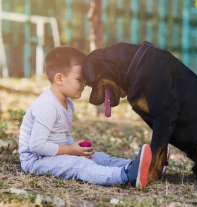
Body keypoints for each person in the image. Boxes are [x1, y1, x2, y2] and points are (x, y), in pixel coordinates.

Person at [18, 45, 152, 188]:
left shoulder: (67, 103)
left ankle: (144, 167)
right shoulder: (47, 106)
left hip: (53, 155)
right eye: (79, 79)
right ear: (59, 79)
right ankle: (126, 175)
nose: (84, 85)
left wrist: (77, 149)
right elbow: (37, 146)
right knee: (79, 165)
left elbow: (64, 136)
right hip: (37, 160)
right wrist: (71, 150)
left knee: (98, 157)